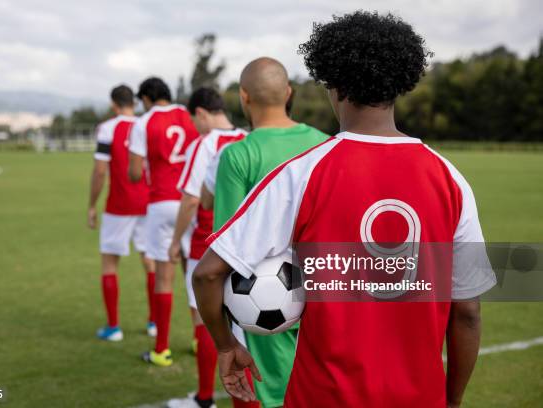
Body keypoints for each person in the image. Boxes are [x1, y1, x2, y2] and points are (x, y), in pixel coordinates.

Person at [193, 11, 497, 408]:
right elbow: (468, 312)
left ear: (333, 86)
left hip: (321, 397)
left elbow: (208, 273)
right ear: (399, 85)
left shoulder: (301, 174)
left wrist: (226, 344)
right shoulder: (450, 180)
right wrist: (451, 400)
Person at [199, 57, 329, 408]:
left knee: (267, 396)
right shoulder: (326, 145)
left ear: (244, 97)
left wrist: (226, 340)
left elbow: (227, 248)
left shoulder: (238, 155)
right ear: (288, 93)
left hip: (266, 305)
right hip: (324, 298)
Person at [166, 87, 247, 408]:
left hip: (207, 247)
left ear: (201, 113)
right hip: (245, 250)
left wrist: (174, 242)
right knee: (244, 328)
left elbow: (190, 200)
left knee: (204, 320)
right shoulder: (248, 137)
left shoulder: (205, 144)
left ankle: (203, 400)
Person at [129, 77, 198, 367]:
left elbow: (134, 171)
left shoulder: (143, 122)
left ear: (146, 98)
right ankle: (199, 339)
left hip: (161, 202)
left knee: (164, 278)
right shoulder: (187, 114)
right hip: (190, 201)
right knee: (195, 274)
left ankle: (161, 349)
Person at [87, 84, 156, 341]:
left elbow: (100, 171)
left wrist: (92, 205)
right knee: (149, 261)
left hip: (119, 205)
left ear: (114, 104)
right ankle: (153, 323)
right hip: (148, 203)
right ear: (134, 103)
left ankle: (114, 327)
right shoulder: (145, 125)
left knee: (109, 263)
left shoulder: (107, 128)